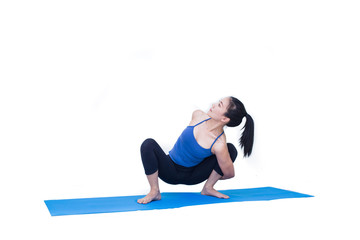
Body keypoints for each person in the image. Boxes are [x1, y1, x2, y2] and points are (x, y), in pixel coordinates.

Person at [137, 96, 254, 204]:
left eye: (220, 105)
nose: (213, 104)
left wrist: (212, 174)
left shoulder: (219, 144)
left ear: (224, 118)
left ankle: (208, 187)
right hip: (169, 170)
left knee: (230, 149)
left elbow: (229, 174)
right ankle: (154, 191)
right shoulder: (198, 115)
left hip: (193, 175)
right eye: (218, 102)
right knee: (148, 144)